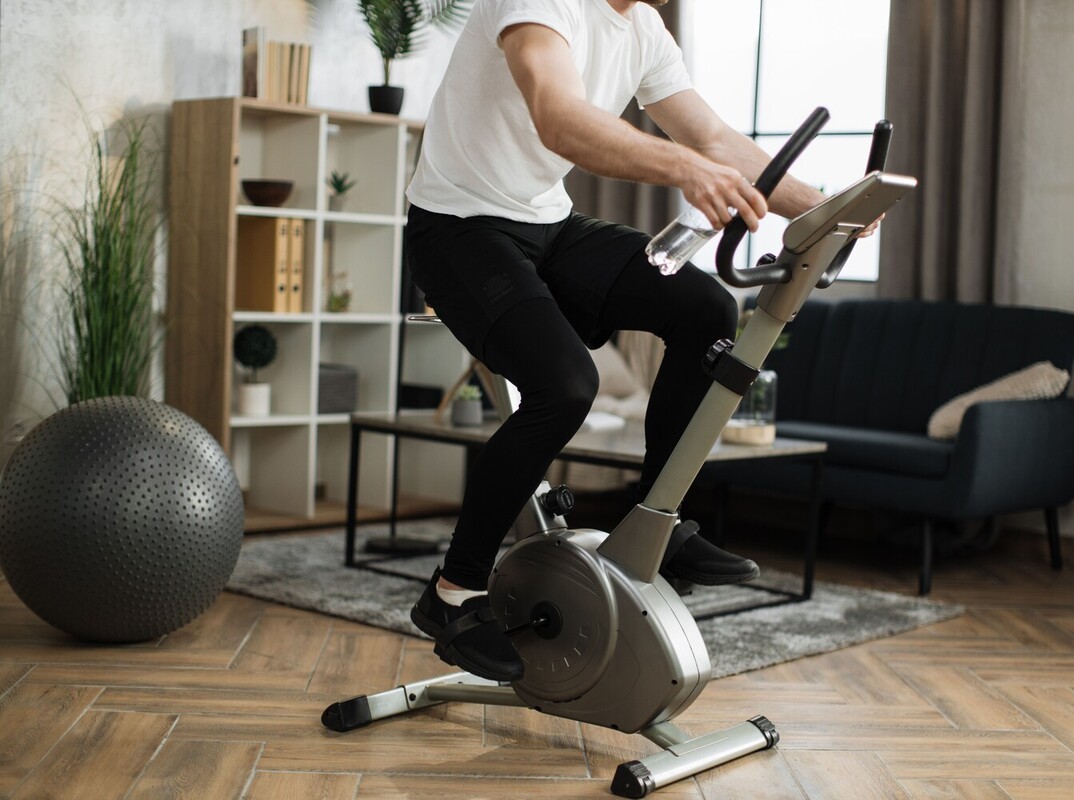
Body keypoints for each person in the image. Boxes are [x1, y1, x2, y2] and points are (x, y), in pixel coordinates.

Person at [404, 0, 867, 682]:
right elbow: (559, 118)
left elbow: (712, 135)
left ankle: (660, 522)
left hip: (548, 225)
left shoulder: (644, 28)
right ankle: (453, 592)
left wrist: (832, 207)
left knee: (706, 306)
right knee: (565, 388)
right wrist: (683, 170)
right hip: (458, 228)